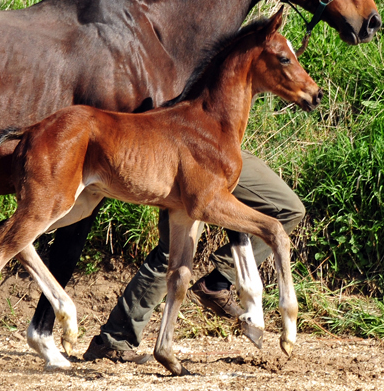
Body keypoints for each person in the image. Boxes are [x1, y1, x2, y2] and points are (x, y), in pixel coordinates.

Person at [83, 150, 305, 363]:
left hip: (228, 150)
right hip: (187, 154)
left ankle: (219, 282)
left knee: (288, 208)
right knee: (173, 254)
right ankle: (114, 340)